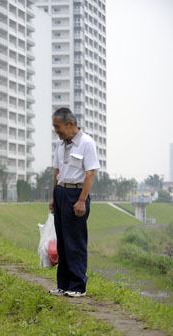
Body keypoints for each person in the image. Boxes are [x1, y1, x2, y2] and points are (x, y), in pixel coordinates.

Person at [48, 108, 100, 297]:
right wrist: (53, 197)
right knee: (62, 242)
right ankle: (63, 285)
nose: (56, 131)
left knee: (75, 242)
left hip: (76, 195)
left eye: (58, 127)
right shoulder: (61, 144)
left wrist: (81, 201)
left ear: (70, 124)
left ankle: (78, 286)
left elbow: (90, 173)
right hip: (61, 192)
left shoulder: (87, 143)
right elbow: (56, 172)